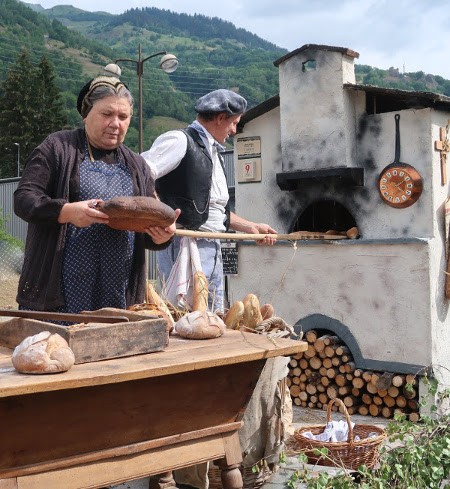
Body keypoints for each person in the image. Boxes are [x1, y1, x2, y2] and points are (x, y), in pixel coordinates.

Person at [14, 71, 178, 314]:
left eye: (123, 116)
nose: (115, 123)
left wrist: (162, 237)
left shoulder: (137, 165)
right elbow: (24, 199)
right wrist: (66, 212)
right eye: (107, 114)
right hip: (59, 290)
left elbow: (142, 232)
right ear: (86, 114)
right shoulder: (57, 148)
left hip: (118, 291)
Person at [141, 88, 276, 313]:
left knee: (210, 313)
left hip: (211, 243)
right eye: (234, 123)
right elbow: (140, 172)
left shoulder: (213, 151)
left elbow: (213, 210)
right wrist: (162, 218)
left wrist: (251, 228)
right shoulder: (180, 141)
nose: (234, 130)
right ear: (220, 118)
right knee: (185, 316)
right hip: (184, 243)